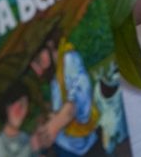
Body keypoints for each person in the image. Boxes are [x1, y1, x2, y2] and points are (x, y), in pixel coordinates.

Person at [28, 28, 100, 157]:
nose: (38, 71)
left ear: (49, 45)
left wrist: (55, 124)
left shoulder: (69, 59)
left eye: (38, 60)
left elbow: (78, 96)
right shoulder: (54, 74)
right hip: (65, 147)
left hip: (83, 147)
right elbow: (61, 105)